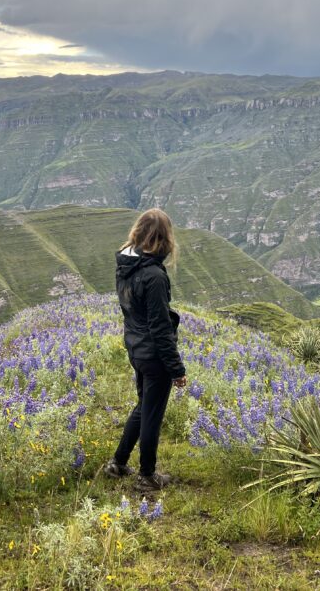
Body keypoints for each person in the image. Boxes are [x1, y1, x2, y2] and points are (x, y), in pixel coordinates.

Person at [104, 208, 186, 492]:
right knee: (152, 415)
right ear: (164, 239)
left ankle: (118, 462)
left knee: (144, 407)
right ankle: (147, 476)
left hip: (135, 348)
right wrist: (176, 369)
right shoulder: (154, 276)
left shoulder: (126, 264)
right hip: (154, 355)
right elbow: (160, 328)